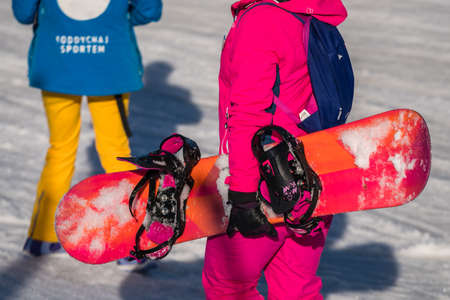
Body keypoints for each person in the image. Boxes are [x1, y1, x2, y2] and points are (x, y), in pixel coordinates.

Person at [202, 0, 348, 298]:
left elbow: (249, 112)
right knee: (295, 288)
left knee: (228, 286)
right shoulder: (312, 13)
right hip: (312, 176)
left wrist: (242, 195)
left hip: (264, 180)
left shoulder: (262, 19)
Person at [12, 0, 162, 268]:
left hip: (56, 62)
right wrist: (117, 19)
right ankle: (128, 242)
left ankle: (42, 236)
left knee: (60, 149)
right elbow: (149, 10)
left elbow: (23, 12)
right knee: (115, 151)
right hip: (110, 65)